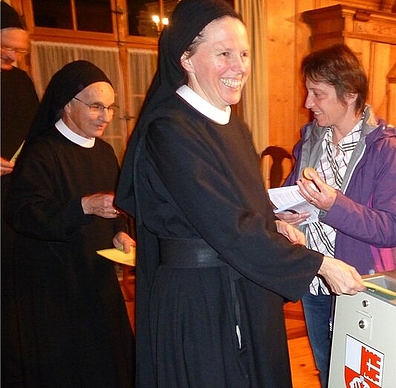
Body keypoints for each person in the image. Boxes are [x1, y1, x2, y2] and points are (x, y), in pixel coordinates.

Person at [114, 1, 365, 387]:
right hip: (199, 298)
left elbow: (240, 203)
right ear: (186, 58)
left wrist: (274, 224)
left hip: (243, 283)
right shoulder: (171, 130)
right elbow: (225, 223)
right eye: (224, 54)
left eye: (244, 54)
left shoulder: (235, 126)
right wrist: (317, 263)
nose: (239, 67)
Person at [278, 43, 396, 387]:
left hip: (359, 285)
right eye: (308, 92)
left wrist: (333, 204)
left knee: (359, 378)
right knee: (326, 371)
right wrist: (284, 216)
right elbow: (288, 194)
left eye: (317, 94)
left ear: (349, 94)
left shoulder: (386, 149)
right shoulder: (309, 141)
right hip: (313, 276)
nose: (307, 103)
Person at [4, 60, 135, 387]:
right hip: (53, 284)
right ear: (66, 105)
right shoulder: (42, 153)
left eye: (110, 107)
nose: (105, 116)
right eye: (95, 106)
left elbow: (117, 207)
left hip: (96, 276)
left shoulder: (105, 152)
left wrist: (121, 232)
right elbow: (23, 214)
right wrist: (83, 206)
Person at [1, 4, 40, 385]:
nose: (13, 57)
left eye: (19, 51)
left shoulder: (22, 82)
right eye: (4, 49)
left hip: (13, 197)